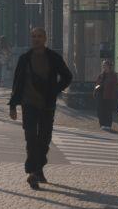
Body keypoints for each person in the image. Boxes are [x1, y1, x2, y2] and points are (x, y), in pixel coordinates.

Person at [9, 27, 73, 190]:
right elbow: (17, 82)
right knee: (31, 138)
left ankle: (38, 169)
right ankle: (32, 173)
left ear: (45, 38)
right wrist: (13, 105)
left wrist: (55, 90)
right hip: (28, 104)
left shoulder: (53, 58)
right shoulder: (25, 58)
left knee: (44, 139)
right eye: (33, 36)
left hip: (47, 104)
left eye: (39, 36)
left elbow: (67, 76)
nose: (36, 39)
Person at [94, 59, 117, 131]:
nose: (103, 66)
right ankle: (102, 124)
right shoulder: (101, 75)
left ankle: (108, 125)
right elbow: (97, 83)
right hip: (100, 95)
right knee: (100, 110)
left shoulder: (113, 75)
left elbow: (114, 86)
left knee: (108, 110)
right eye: (103, 65)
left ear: (109, 66)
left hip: (108, 95)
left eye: (104, 65)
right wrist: (96, 89)